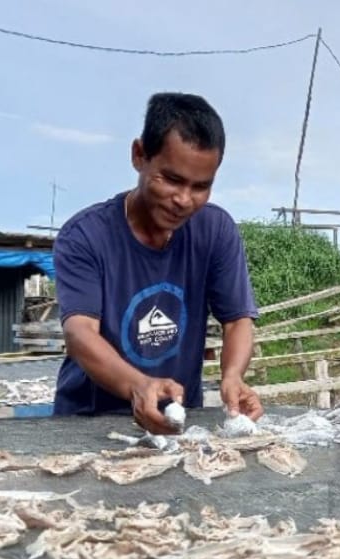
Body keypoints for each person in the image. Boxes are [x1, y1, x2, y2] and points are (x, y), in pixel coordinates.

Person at [52, 92, 264, 433]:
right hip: (87, 423)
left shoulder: (215, 230)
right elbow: (79, 333)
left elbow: (237, 320)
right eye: (172, 179)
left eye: (201, 187)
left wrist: (232, 377)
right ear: (139, 155)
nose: (183, 200)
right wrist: (138, 385)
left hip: (176, 421)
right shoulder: (85, 236)